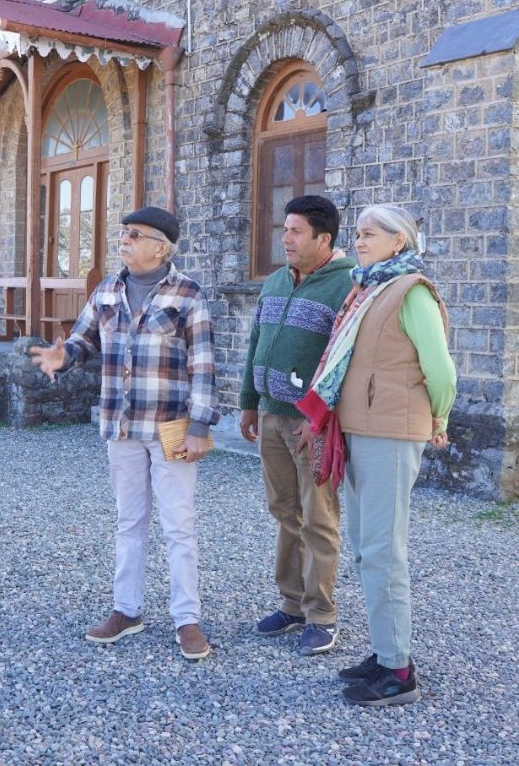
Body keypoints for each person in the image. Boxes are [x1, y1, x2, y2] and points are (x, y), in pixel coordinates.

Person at [30, 206, 219, 661]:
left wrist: (198, 427)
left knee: (179, 526)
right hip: (120, 425)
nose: (124, 240)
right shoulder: (107, 290)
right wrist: (62, 356)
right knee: (128, 522)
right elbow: (83, 339)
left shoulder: (188, 294)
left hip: (171, 427)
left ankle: (186, 619)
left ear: (161, 246)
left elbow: (205, 365)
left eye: (134, 234)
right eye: (123, 233)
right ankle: (126, 610)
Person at [296, 204, 455, 706]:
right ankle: (387, 651)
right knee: (368, 549)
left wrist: (439, 419)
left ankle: (398, 673)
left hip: (389, 433)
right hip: (362, 429)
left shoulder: (412, 292)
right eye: (359, 233)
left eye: (371, 234)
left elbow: (442, 372)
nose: (360, 241)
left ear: (399, 242)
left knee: (385, 553)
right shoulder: (368, 288)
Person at [239, 195, 357, 656]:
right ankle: (291, 603)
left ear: (323, 239)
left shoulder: (346, 286)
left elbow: (346, 361)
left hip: (314, 426)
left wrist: (319, 418)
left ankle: (322, 616)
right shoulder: (274, 281)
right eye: (284, 229)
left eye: (295, 231)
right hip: (271, 415)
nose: (284, 238)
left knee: (319, 519)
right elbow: (255, 344)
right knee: (284, 513)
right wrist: (249, 403)